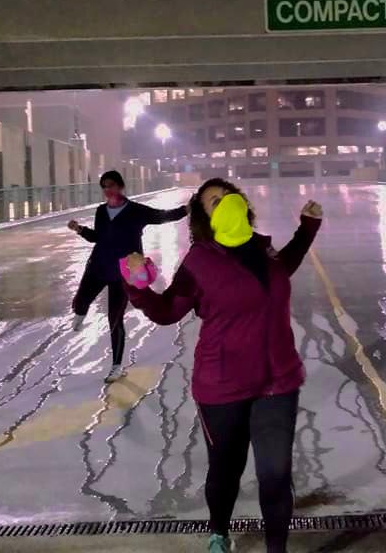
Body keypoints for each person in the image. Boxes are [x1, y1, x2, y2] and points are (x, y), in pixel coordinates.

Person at [123, 178, 322, 553]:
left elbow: (283, 269)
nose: (224, 201)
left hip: (277, 382)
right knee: (226, 469)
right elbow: (167, 311)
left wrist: (307, 228)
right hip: (222, 387)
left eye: (228, 195)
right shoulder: (200, 261)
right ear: (205, 218)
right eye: (214, 201)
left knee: (276, 475)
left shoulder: (263, 249)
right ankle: (219, 532)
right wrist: (137, 285)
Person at [67, 170, 187, 383]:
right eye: (104, 186)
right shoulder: (101, 211)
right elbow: (97, 237)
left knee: (115, 318)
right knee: (81, 301)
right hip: (98, 267)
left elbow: (163, 216)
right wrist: (80, 229)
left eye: (111, 185)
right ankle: (80, 315)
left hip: (124, 273)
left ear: (121, 186)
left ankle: (116, 366)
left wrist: (186, 209)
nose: (107, 190)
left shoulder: (136, 211)